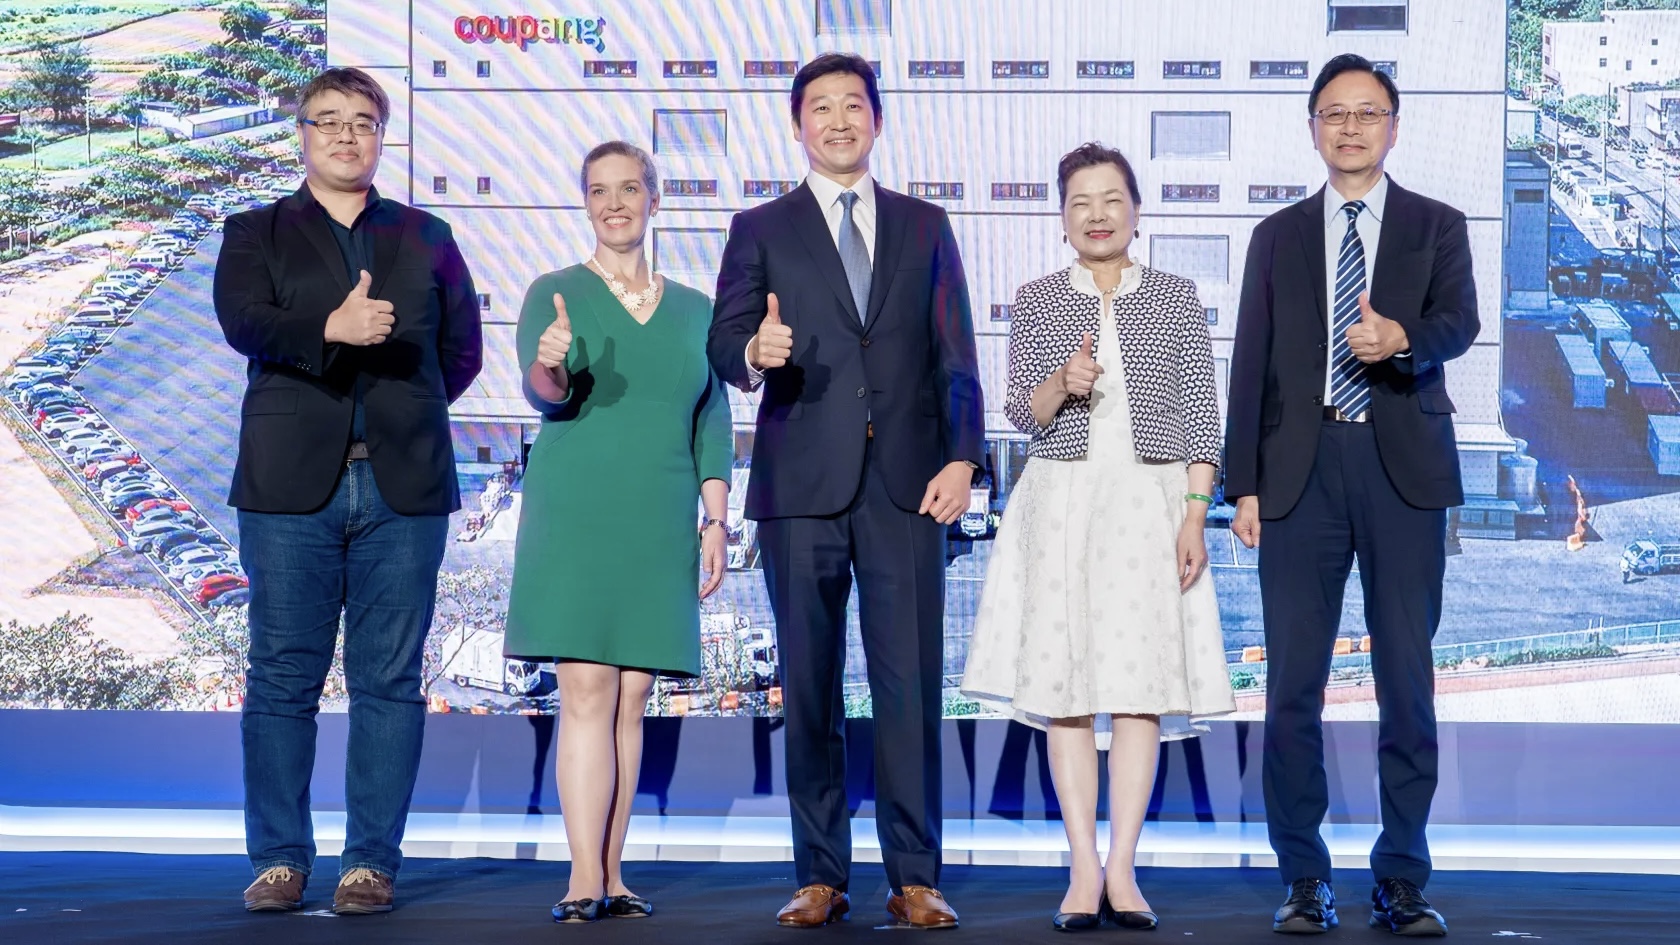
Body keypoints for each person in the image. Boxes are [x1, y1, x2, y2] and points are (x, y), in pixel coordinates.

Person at [706, 52, 985, 930]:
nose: (837, 120)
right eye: (820, 107)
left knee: (911, 686)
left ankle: (915, 876)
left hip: (909, 487)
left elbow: (956, 355)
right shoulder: (760, 226)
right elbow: (723, 339)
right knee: (810, 683)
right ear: (798, 126)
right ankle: (820, 873)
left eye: (853, 105)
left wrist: (964, 458)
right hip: (801, 484)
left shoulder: (925, 225)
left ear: (877, 119)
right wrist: (754, 353)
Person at [215, 67, 482, 915]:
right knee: (281, 678)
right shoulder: (255, 230)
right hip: (289, 487)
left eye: (362, 121)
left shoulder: (427, 234)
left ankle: (370, 862)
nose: (344, 134)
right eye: (327, 120)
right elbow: (242, 320)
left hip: (403, 487)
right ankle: (278, 860)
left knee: (390, 681)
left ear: (380, 137)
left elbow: (462, 353)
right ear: (302, 134)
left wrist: (407, 412)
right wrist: (329, 328)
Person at [1224, 54, 1477, 937]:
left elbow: (1461, 323)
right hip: (1299, 472)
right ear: (1313, 128)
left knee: (1407, 680)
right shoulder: (1278, 235)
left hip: (1401, 465)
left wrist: (1402, 338)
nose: (1351, 127)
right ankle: (1304, 876)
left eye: (1368, 113)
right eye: (1334, 113)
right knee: (1293, 685)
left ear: (1393, 126)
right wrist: (1242, 484)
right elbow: (1250, 362)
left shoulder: (1437, 225)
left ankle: (1401, 875)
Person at [960, 142, 1235, 932]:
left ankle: (1123, 867)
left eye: (1112, 199)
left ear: (1137, 211)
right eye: (1080, 202)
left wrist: (1194, 512)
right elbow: (1021, 411)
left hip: (1151, 506)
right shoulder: (1038, 298)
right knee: (1068, 691)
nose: (1098, 215)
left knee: (1139, 690)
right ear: (1062, 219)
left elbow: (1201, 416)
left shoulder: (1176, 297)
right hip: (1063, 504)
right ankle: (1083, 867)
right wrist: (1062, 382)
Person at [504, 141, 732, 925]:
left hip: (660, 513)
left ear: (654, 200)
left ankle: (612, 870)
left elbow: (712, 418)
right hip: (577, 510)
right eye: (599, 190)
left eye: (629, 188)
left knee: (633, 697)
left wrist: (716, 517)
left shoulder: (696, 309)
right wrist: (551, 364)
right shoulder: (555, 292)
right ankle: (580, 876)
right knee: (587, 688)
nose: (614, 203)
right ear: (585, 203)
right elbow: (546, 394)